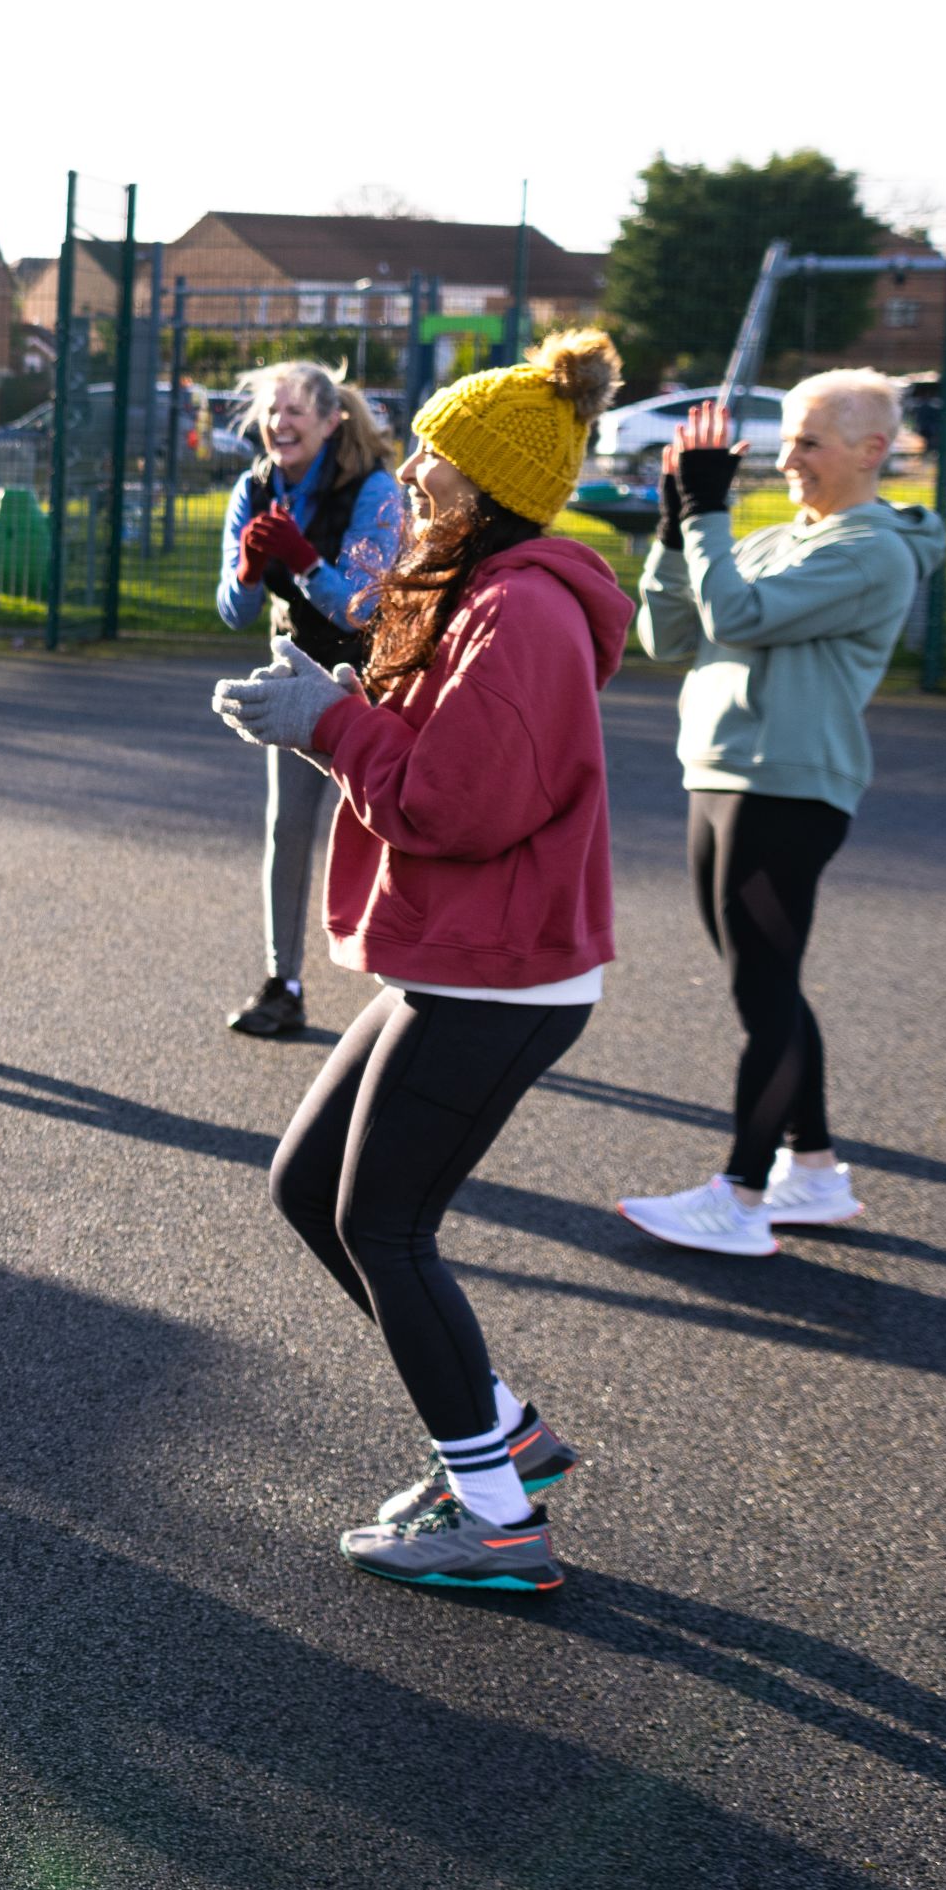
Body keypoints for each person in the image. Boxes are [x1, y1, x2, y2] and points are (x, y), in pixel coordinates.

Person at [210, 332, 629, 1595]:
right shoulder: (477, 586)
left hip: (505, 968)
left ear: (487, 487)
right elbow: (420, 726)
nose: (413, 486)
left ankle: (496, 1517)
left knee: (382, 1222)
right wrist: (328, 690)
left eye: (434, 466)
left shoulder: (524, 611)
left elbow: (455, 802)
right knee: (310, 1190)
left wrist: (327, 724)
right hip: (464, 958)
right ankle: (504, 1439)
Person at [612, 371, 942, 1257]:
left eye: (808, 442)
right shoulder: (771, 540)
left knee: (762, 991)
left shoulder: (873, 551)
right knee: (770, 985)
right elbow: (672, 635)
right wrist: (678, 525)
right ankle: (817, 1171)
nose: (786, 457)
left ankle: (744, 1194)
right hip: (721, 776)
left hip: (789, 792)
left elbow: (738, 613)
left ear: (873, 452)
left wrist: (710, 518)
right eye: (787, 440)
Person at [208, 360, 407, 1039]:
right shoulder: (253, 486)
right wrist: (245, 568)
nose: (280, 422)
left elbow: (359, 608)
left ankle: (410, 983)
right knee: (286, 828)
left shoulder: (376, 489)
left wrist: (301, 559)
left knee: (392, 825)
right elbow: (233, 612)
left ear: (331, 421)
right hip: (297, 680)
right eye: (272, 410)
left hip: (375, 684)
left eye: (296, 411)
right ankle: (282, 983)